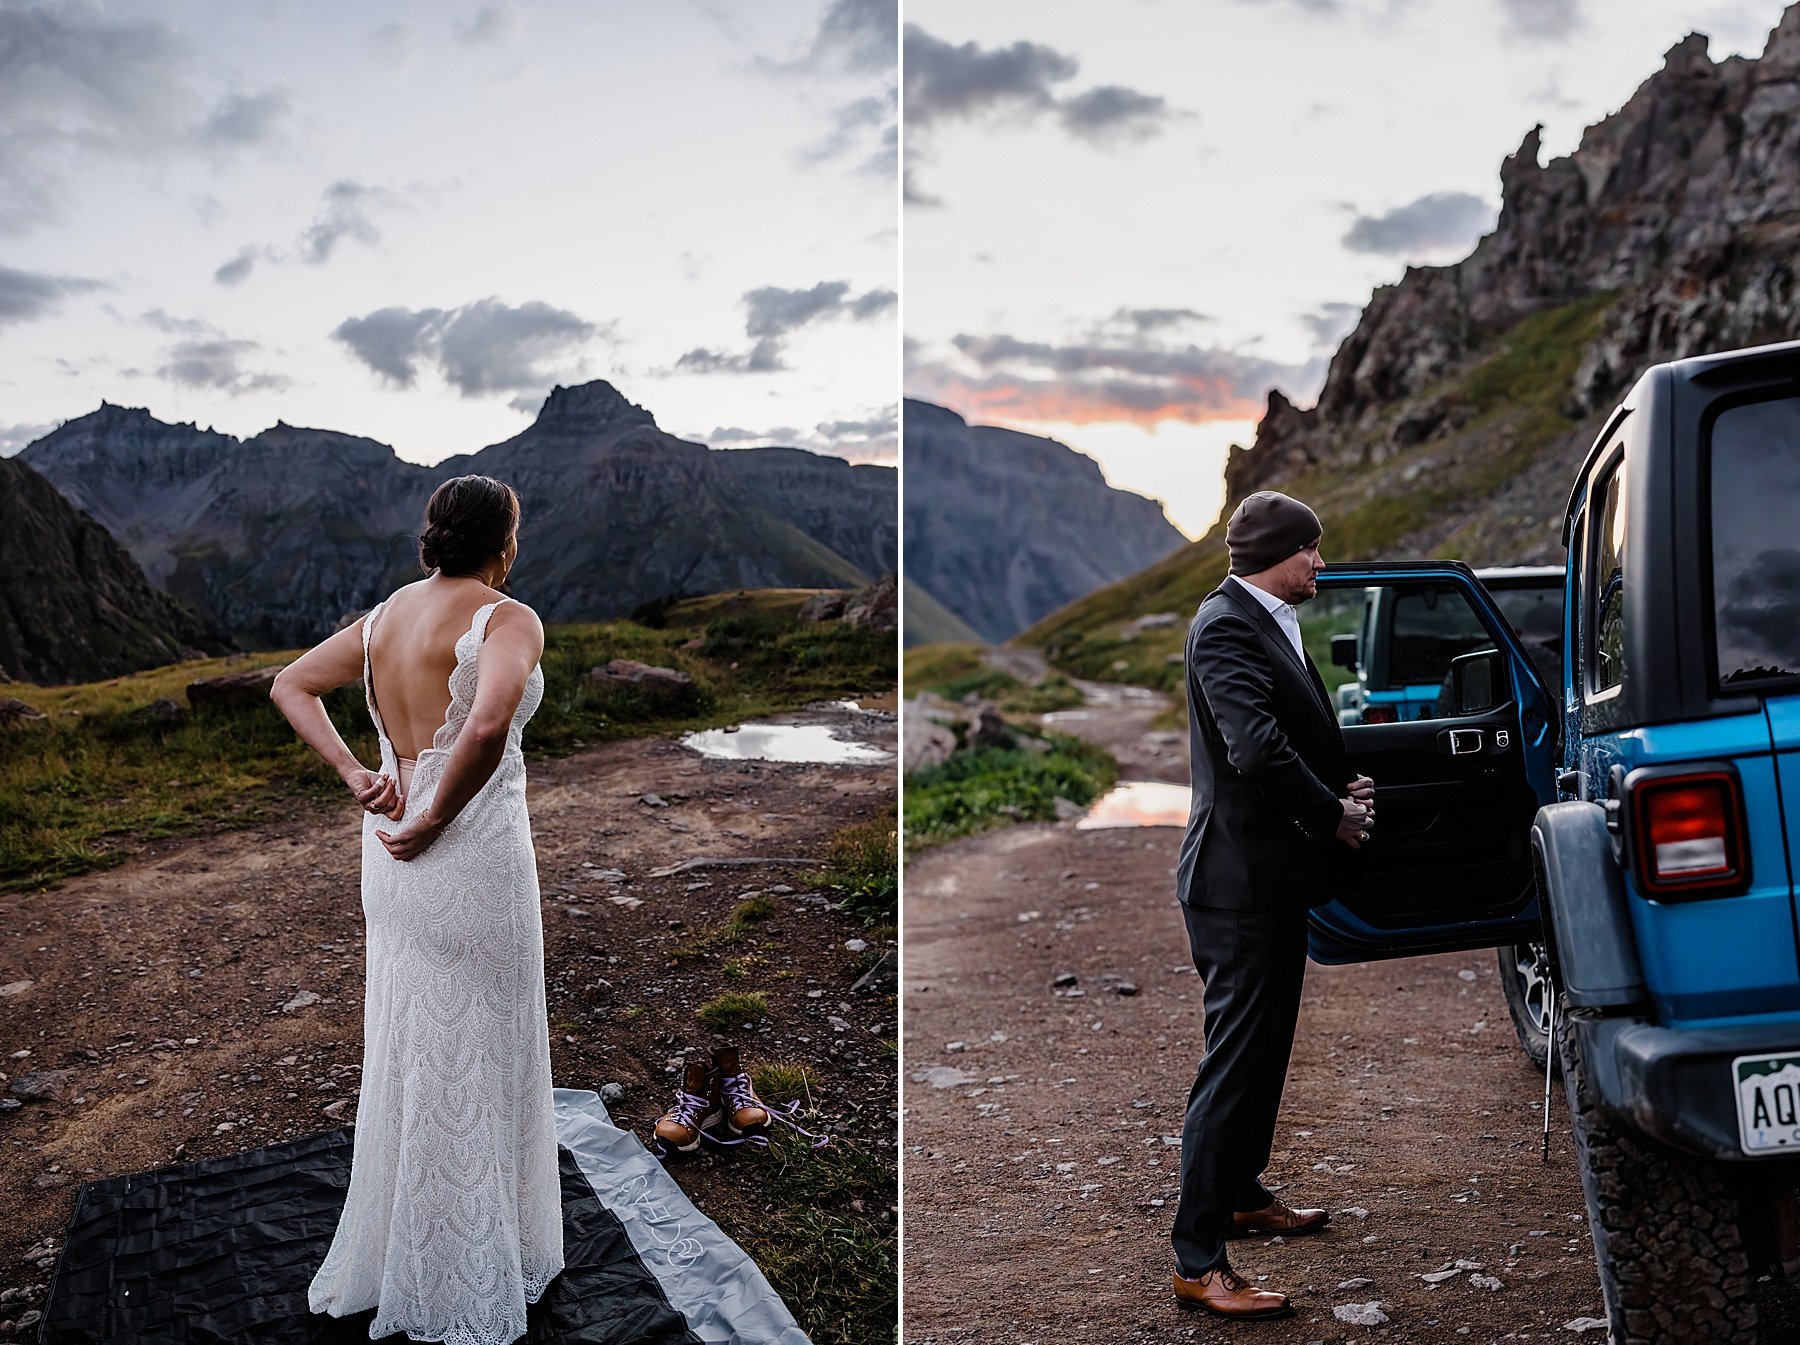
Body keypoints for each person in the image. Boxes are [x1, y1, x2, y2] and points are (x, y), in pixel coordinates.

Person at [270, 474, 564, 1344]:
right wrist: (438, 815)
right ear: (503, 543)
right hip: (464, 848)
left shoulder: (385, 616)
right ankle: (473, 1262)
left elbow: (290, 684)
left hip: (388, 844)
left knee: (413, 1037)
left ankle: (419, 1249)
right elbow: (485, 724)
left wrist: (361, 775)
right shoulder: (509, 618)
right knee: (486, 1036)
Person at [1168, 490, 1375, 1319]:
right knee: (1233, 1065)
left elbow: (1289, 730)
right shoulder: (1223, 625)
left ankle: (1245, 1194)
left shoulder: (1264, 616)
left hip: (1269, 879)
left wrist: (1339, 784)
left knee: (1264, 1053)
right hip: (1236, 885)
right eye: (1312, 549)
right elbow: (1253, 746)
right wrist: (1331, 813)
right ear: (1276, 554)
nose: (1320, 562)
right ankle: (1196, 1258)